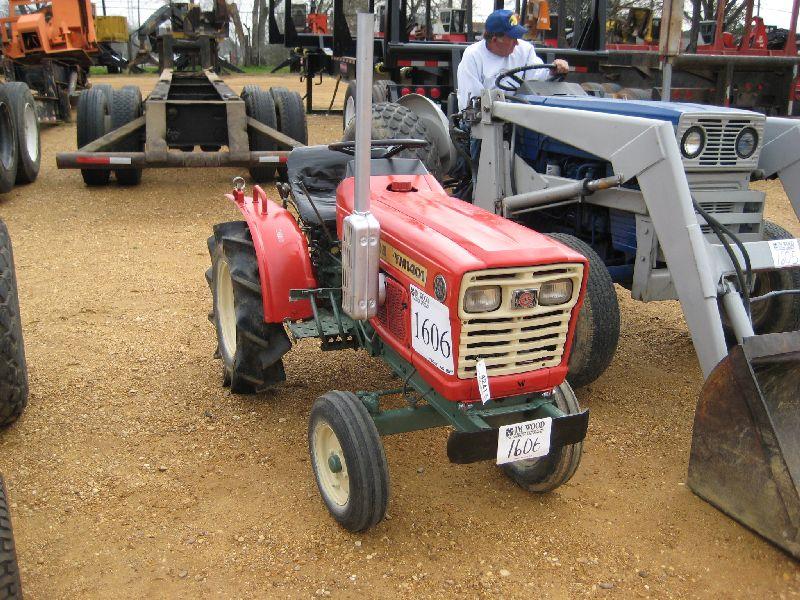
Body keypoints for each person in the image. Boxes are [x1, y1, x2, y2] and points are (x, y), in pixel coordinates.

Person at [456, 9, 569, 110]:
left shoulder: (525, 50)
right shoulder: (473, 56)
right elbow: (472, 102)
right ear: (495, 40)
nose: (517, 42)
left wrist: (553, 71)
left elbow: (537, 78)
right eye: (512, 38)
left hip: (520, 114)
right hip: (487, 119)